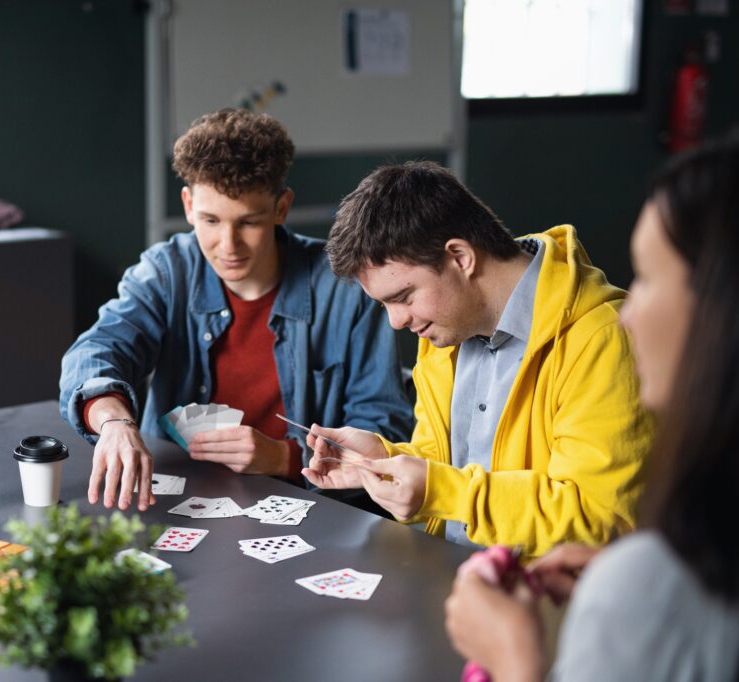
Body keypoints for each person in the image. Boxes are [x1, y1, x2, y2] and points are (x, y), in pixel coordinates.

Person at [444, 137, 739, 681]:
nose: (630, 314)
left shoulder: (639, 589)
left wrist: (516, 662)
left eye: (649, 279)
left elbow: (595, 514)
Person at [60, 108, 412, 511]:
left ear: (281, 208)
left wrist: (284, 458)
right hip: (182, 500)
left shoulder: (345, 289)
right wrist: (115, 423)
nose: (228, 246)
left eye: (248, 223)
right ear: (188, 205)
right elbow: (96, 350)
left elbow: (386, 426)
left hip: (311, 505)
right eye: (210, 220)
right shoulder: (165, 272)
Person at [303, 161, 653, 557]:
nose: (396, 321)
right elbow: (446, 469)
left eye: (402, 297)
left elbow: (600, 519)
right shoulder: (444, 330)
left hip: (548, 605)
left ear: (460, 257)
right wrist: (385, 460)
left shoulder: (604, 338)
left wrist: (441, 492)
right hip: (452, 577)